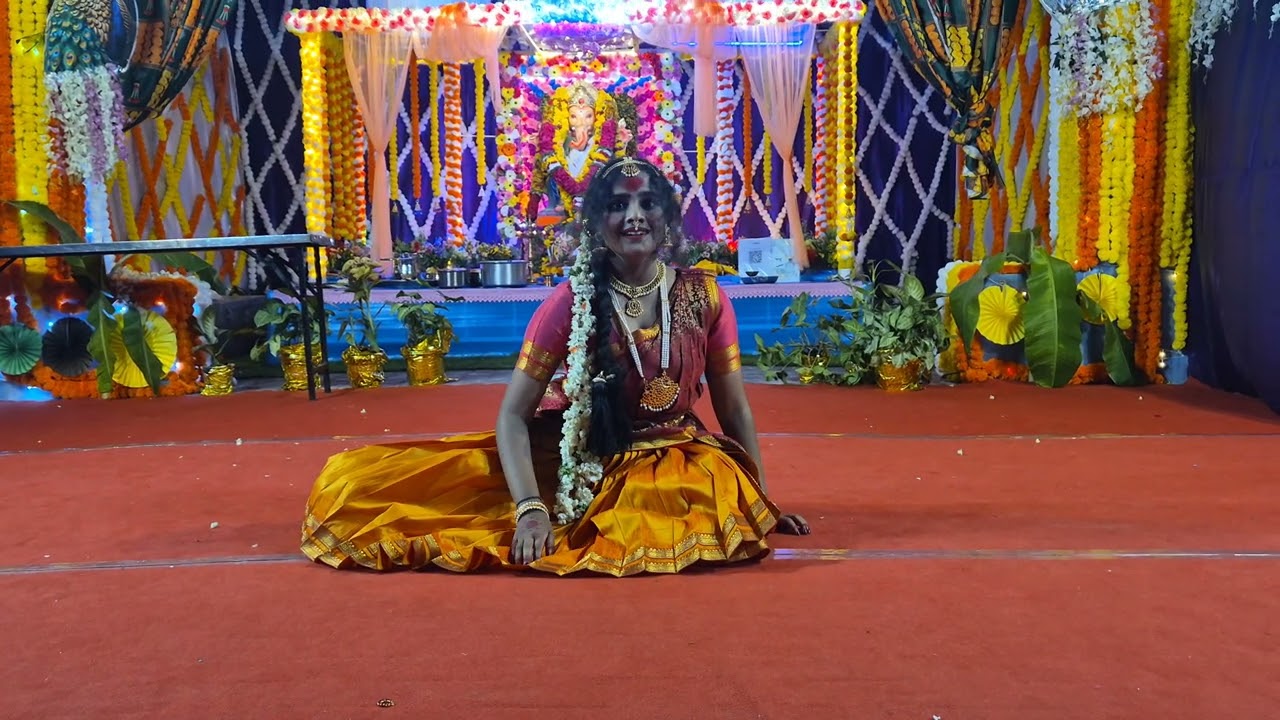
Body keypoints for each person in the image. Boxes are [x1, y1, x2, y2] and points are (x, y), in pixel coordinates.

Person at [301, 155, 810, 577]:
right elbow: (512, 416)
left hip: (677, 454)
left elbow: (734, 407)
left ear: (668, 218)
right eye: (617, 205)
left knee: (700, 487)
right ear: (595, 223)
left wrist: (761, 499)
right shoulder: (569, 301)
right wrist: (529, 510)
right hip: (581, 458)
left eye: (647, 203)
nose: (634, 216)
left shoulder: (706, 295)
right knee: (390, 495)